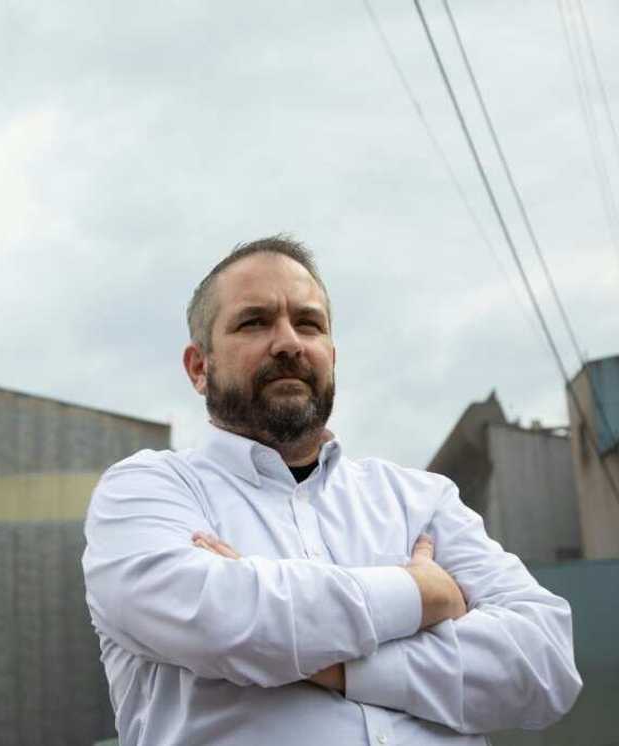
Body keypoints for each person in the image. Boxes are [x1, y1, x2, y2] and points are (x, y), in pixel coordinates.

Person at [82, 236, 582, 745]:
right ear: (198, 367)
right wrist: (419, 593)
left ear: (332, 354)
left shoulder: (419, 500)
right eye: (254, 321)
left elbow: (544, 664)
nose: (288, 343)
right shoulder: (145, 492)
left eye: (308, 323)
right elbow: (224, 622)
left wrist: (332, 666)